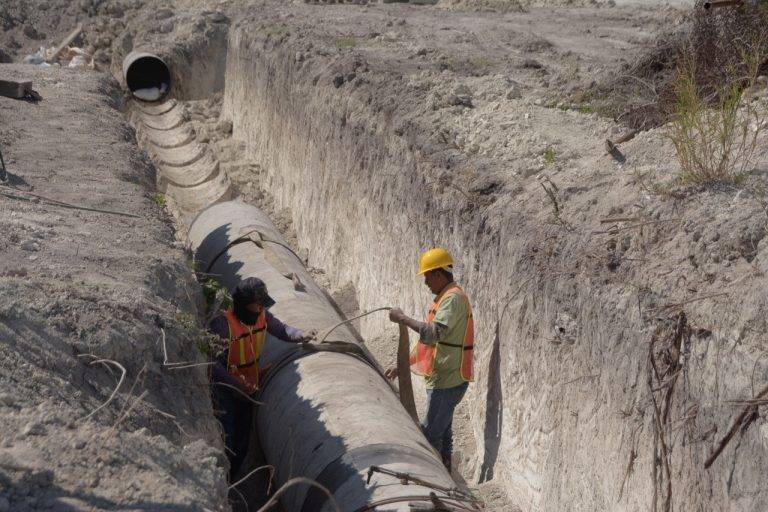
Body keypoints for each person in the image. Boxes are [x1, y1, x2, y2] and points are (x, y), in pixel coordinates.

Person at [208, 277, 315, 478]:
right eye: (258, 305)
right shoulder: (222, 326)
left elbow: (282, 330)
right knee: (227, 439)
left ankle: (234, 479)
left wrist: (300, 334)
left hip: (248, 389)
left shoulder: (262, 316)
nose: (260, 309)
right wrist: (236, 384)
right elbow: (213, 365)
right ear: (244, 305)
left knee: (242, 440)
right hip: (226, 391)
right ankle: (222, 481)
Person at [385, 248, 474, 472]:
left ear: (438, 273)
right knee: (443, 430)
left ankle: (433, 478)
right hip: (446, 378)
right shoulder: (445, 298)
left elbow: (433, 334)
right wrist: (402, 365)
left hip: (448, 380)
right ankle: (446, 471)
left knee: (430, 435)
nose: (425, 283)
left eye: (426, 276)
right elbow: (429, 345)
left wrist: (403, 319)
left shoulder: (452, 300)